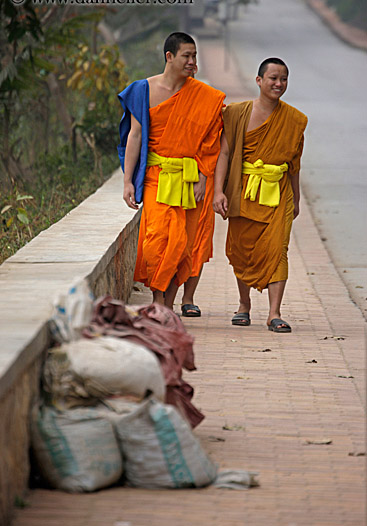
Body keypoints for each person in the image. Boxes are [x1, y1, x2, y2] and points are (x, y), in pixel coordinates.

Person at [118, 32, 225, 312]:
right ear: (169, 57)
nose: (192, 62)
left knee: (183, 244)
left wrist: (203, 176)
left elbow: (210, 142)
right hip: (157, 175)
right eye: (186, 56)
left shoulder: (204, 97)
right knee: (157, 239)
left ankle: (171, 301)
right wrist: (128, 181)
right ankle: (157, 301)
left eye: (195, 56)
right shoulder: (143, 90)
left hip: (189, 180)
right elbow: (135, 136)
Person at [213, 58, 308, 332]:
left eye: (284, 79)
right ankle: (244, 305)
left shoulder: (295, 120)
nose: (279, 84)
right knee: (241, 250)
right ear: (259, 81)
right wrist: (219, 190)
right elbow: (225, 153)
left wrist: (297, 199)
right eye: (273, 78)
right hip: (243, 191)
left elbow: (294, 165)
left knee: (278, 250)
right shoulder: (236, 113)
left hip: (278, 195)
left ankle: (274, 313)